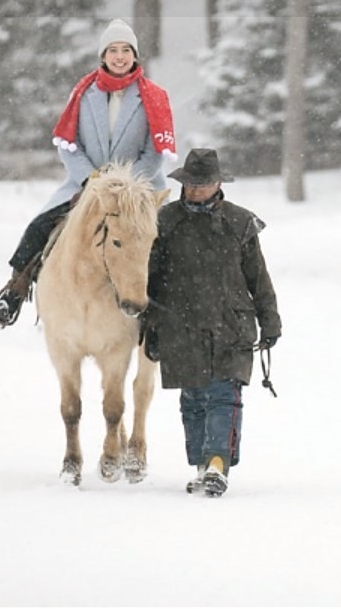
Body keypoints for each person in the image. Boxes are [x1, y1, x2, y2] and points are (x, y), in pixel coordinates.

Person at [0, 19, 176, 328]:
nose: (119, 56)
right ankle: (15, 289)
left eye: (125, 50)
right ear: (103, 55)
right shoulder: (83, 93)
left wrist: (126, 185)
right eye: (112, 50)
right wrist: (90, 178)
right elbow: (68, 144)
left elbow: (155, 151)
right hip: (88, 184)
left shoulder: (153, 96)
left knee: (165, 243)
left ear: (135, 55)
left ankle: (165, 314)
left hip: (139, 190)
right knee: (39, 227)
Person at [143, 148, 282, 497]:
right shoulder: (165, 222)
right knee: (193, 399)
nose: (196, 189)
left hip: (230, 323)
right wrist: (150, 322)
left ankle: (218, 464)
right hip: (180, 324)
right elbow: (151, 279)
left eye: (203, 183)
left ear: (219, 183)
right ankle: (204, 466)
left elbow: (258, 279)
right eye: (191, 183)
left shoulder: (240, 223)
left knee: (223, 395)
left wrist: (271, 322)